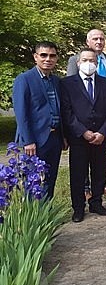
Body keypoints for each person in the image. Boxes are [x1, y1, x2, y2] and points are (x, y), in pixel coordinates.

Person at [61, 48, 106, 222]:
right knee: (78, 173)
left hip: (101, 136)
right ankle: (78, 208)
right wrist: (83, 132)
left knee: (99, 171)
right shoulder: (67, 83)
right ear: (78, 63)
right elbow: (67, 112)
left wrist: (102, 132)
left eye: (92, 60)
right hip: (79, 137)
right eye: (85, 60)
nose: (88, 63)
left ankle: (96, 203)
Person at [13, 41, 63, 198]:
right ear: (36, 57)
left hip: (55, 138)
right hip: (35, 140)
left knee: (50, 179)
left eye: (52, 56)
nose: (48, 59)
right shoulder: (24, 79)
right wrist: (28, 140)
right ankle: (32, 217)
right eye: (44, 55)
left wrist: (64, 136)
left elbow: (59, 109)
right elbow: (21, 113)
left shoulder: (56, 81)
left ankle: (46, 214)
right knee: (33, 181)